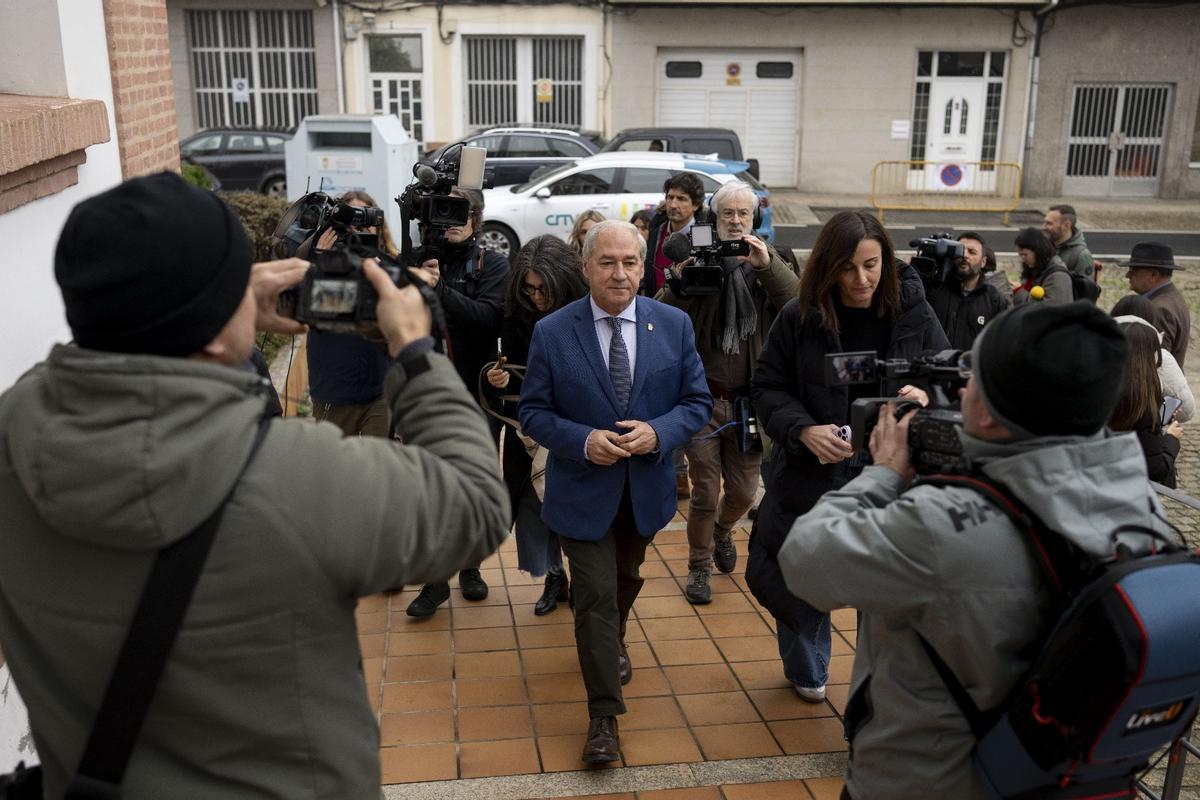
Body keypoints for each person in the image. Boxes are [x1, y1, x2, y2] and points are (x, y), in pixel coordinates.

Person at [0, 172, 509, 798]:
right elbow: (478, 507)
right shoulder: (298, 478)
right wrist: (414, 352)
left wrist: (214, 313)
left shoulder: (14, 435)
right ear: (216, 330)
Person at [777, 302, 1166, 799]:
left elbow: (806, 560)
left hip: (929, 782)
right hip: (1055, 776)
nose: (960, 390)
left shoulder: (938, 525)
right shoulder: (1140, 506)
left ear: (986, 406)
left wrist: (884, 474)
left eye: (971, 377)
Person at [519, 220, 711, 764]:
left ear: (641, 267)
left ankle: (613, 641)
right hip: (580, 492)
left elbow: (696, 403)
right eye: (607, 262)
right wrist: (582, 441)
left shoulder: (672, 324)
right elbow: (533, 411)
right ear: (585, 268)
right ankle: (603, 717)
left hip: (644, 493)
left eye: (629, 262)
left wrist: (659, 432)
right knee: (595, 597)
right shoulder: (553, 332)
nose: (619, 274)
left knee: (625, 580)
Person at [749, 209, 948, 704]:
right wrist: (803, 430)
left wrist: (926, 395)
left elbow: (950, 376)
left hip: (892, 471)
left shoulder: (915, 312)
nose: (861, 279)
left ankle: (873, 692)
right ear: (827, 267)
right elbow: (768, 386)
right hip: (813, 470)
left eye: (872, 265)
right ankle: (808, 667)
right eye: (848, 267)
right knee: (797, 573)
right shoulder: (799, 316)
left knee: (882, 590)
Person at [655, 180, 798, 604]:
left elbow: (799, 303)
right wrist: (685, 280)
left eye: (743, 214)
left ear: (754, 219)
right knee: (703, 491)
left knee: (741, 492)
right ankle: (698, 567)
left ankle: (722, 531)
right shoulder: (700, 258)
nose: (735, 221)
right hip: (704, 399)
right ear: (713, 220)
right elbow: (660, 316)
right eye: (727, 214)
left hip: (751, 402)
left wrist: (766, 264)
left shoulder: (772, 260)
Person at [407, 187, 511, 616]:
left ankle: (468, 568)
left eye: (459, 214)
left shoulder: (493, 264)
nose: (450, 222)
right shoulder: (414, 260)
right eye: (441, 213)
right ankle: (436, 580)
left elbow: (487, 319)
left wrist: (440, 289)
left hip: (478, 395)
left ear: (477, 219)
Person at [484, 236, 589, 615]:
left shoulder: (585, 310)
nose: (536, 297)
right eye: (528, 289)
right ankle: (553, 575)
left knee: (575, 504)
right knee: (533, 505)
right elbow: (505, 368)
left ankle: (584, 579)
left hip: (576, 427)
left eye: (543, 288)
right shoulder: (515, 313)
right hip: (526, 429)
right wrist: (499, 381)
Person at [306, 190, 398, 436]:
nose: (359, 230)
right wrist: (321, 261)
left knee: (377, 468)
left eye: (366, 222)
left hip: (379, 391)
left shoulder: (390, 266)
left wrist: (381, 278)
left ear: (378, 227)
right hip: (334, 392)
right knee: (336, 470)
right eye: (352, 222)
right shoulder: (317, 264)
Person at [1110, 319, 1182, 487]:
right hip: (1129, 490)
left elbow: (1134, 428)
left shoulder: (1101, 390)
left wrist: (1161, 417)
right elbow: (1156, 469)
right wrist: (1171, 439)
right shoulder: (1142, 403)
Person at [1111, 293, 1194, 423]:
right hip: (1145, 439)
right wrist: (1159, 419)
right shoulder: (1160, 358)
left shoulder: (1094, 349)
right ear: (1151, 322)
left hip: (1096, 435)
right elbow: (1186, 410)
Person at [927, 231, 1010, 350]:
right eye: (960, 250)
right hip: (934, 366)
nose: (964, 255)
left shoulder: (995, 301)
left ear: (983, 262)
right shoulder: (934, 291)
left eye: (972, 252)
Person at [1124, 241, 1190, 367]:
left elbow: (1156, 364)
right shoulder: (1172, 297)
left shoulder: (1159, 309)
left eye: (1133, 270)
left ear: (1153, 275)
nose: (1128, 275)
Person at [641, 172, 706, 297]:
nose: (673, 205)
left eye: (681, 199)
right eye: (670, 197)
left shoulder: (704, 238)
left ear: (696, 205)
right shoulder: (656, 229)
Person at [1012, 227, 1072, 306]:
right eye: (1020, 255)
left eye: (1025, 255)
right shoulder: (1034, 269)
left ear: (1038, 251)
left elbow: (1050, 310)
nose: (1023, 259)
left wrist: (1019, 292)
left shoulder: (1058, 276)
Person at [1043, 203, 1095, 277]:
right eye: (1045, 222)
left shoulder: (1081, 256)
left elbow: (1085, 287)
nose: (1044, 227)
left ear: (1066, 226)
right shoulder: (1044, 246)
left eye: (1049, 223)